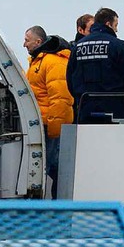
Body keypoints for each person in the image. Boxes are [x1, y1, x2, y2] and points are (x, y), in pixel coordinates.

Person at [67, 7, 124, 123]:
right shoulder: (118, 46)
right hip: (115, 109)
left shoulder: (77, 47)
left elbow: (70, 78)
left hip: (85, 110)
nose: (116, 30)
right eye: (116, 25)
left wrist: (80, 98)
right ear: (108, 24)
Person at [23, 26, 73, 200]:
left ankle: (60, 205)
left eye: (27, 40)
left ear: (38, 42)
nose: (24, 44)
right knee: (49, 166)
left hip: (49, 124)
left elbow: (61, 98)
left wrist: (55, 129)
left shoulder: (52, 62)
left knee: (55, 166)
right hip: (41, 123)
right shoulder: (37, 62)